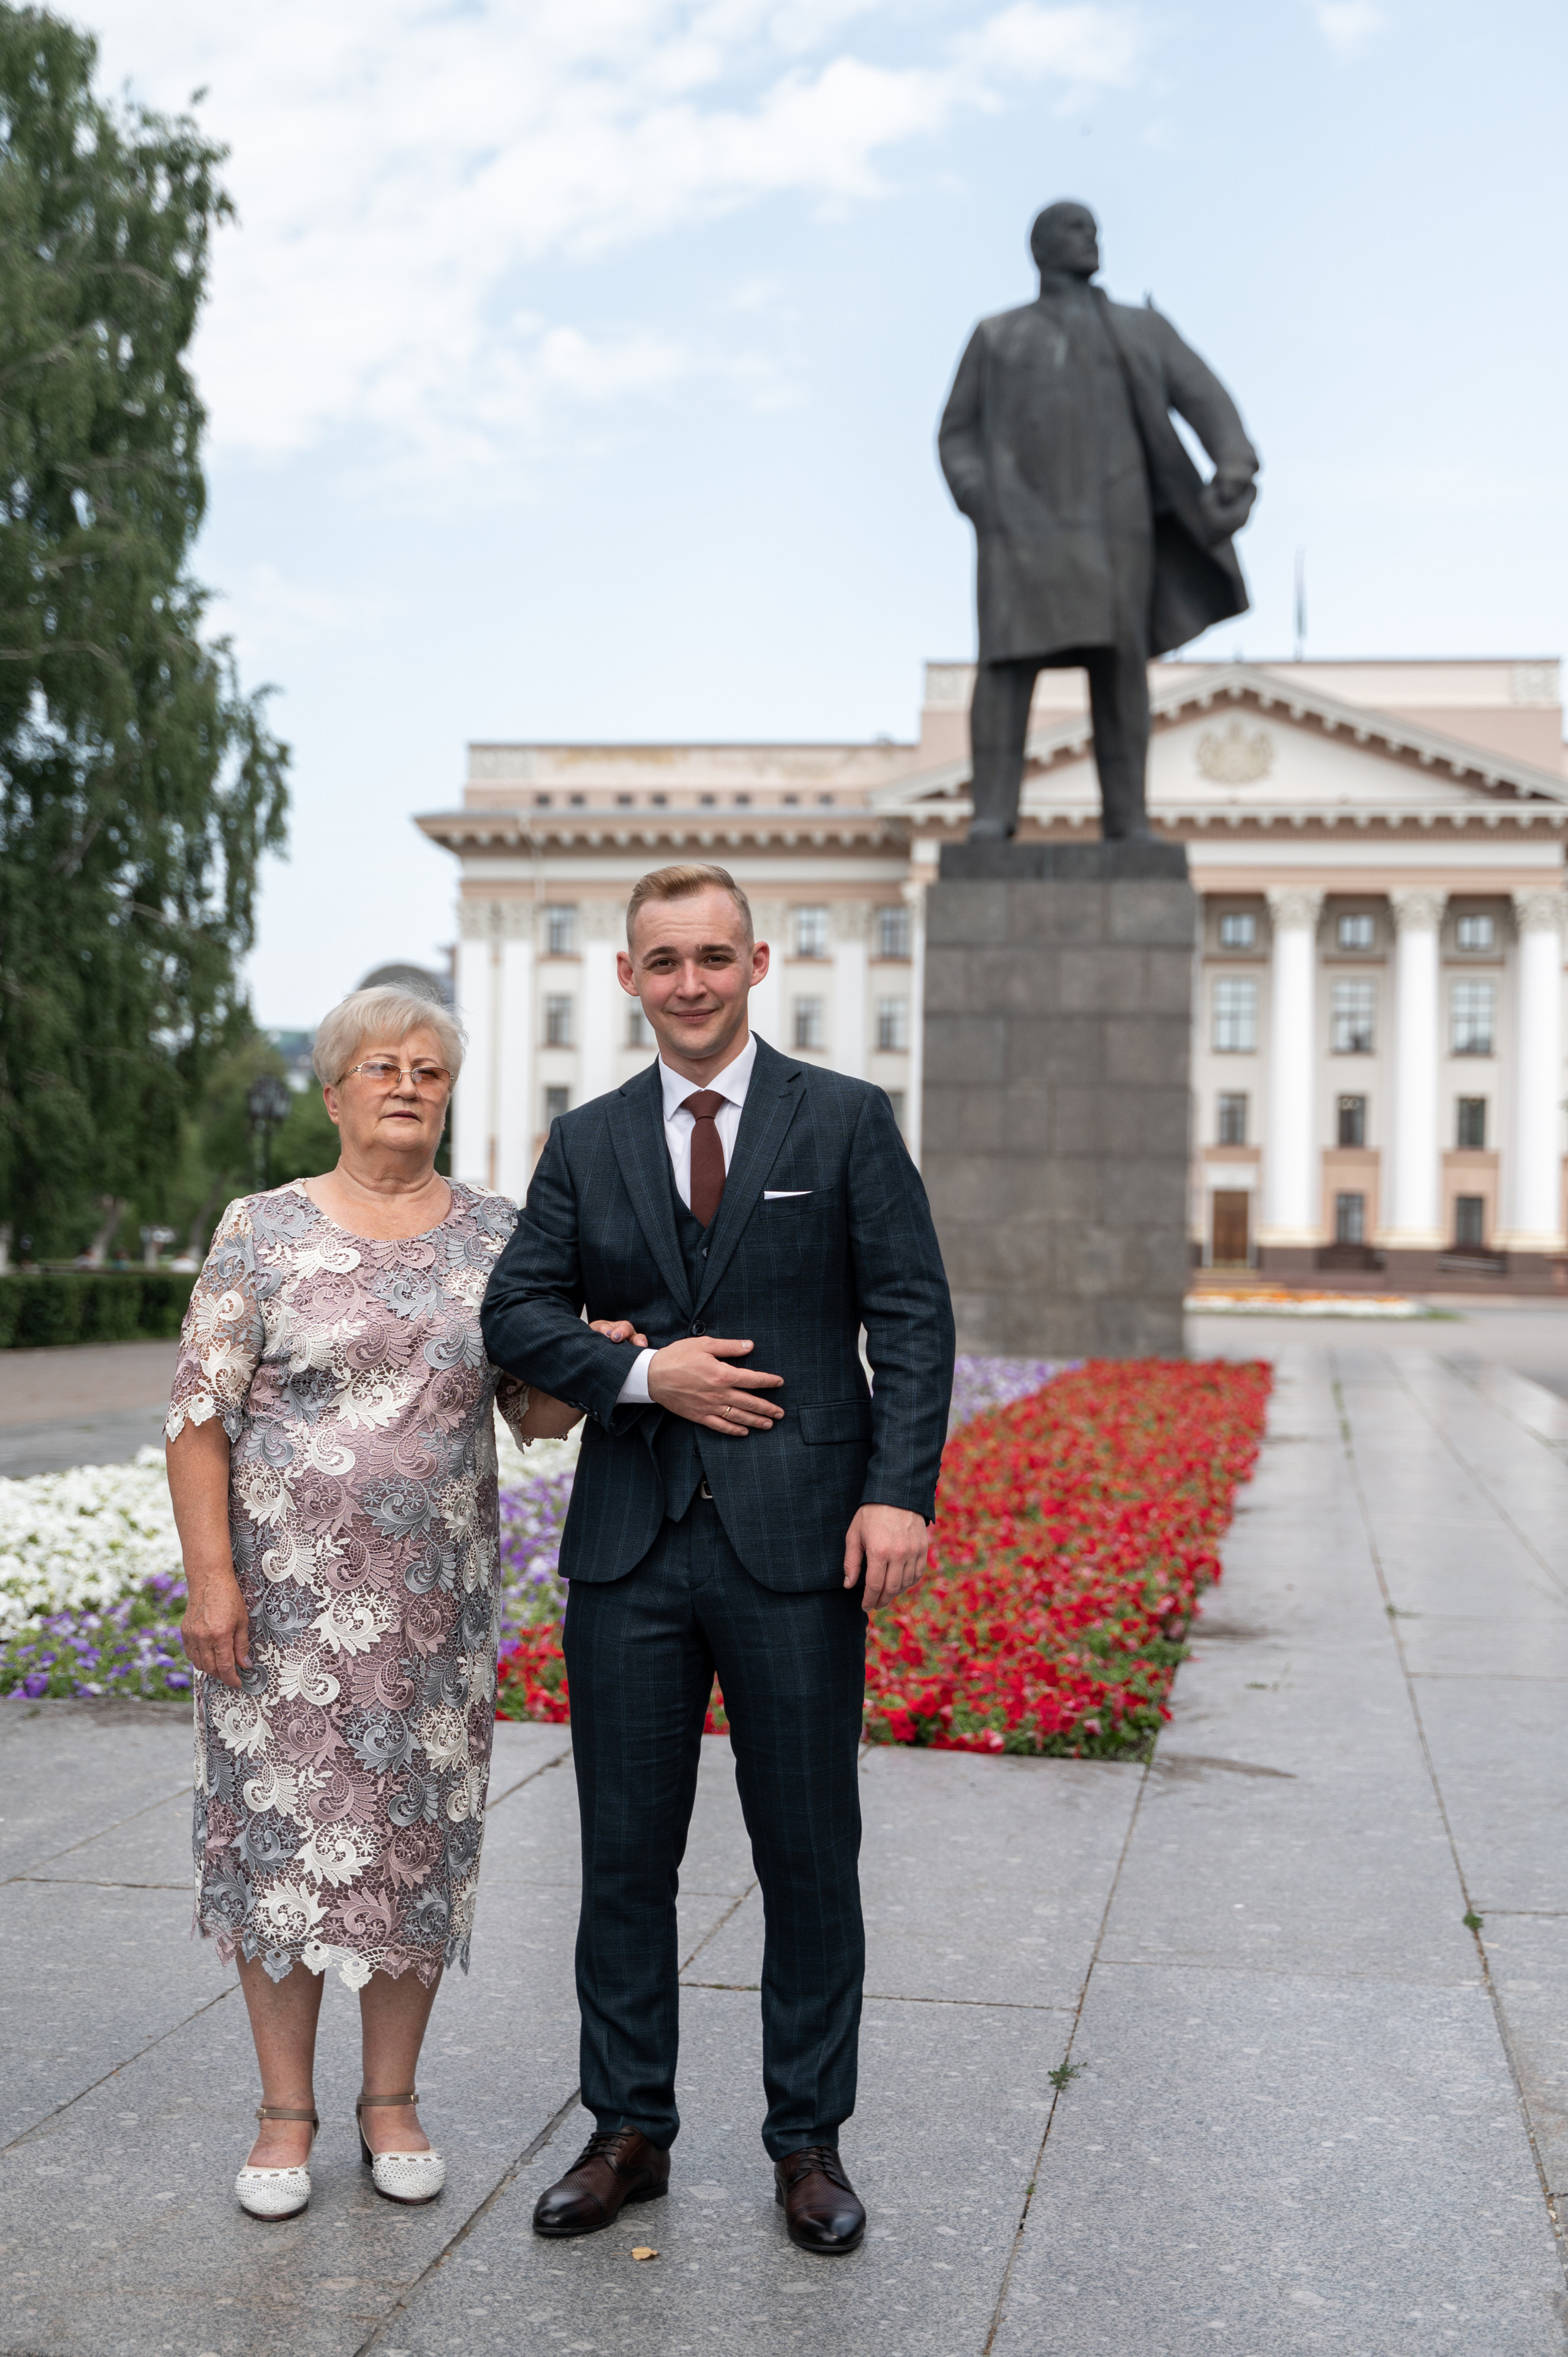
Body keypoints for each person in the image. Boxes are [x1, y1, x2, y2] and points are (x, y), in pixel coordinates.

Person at [480, 863, 955, 2256]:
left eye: (710, 956)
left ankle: (806, 2142)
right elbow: (516, 1310)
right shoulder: (588, 1137)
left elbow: (910, 1320)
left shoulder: (846, 1119)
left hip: (801, 1547)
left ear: (755, 961)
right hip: (629, 1551)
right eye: (661, 961)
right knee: (624, 1858)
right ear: (626, 978)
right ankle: (626, 2127)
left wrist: (897, 1496)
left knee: (807, 1853)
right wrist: (641, 1379)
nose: (687, 981)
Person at [166, 985, 624, 2223]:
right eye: (379, 1065)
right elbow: (197, 1413)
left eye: (428, 1066)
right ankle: (282, 2114)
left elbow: (529, 1410)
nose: (407, 1083)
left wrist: (597, 1359)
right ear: (332, 1092)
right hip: (277, 1606)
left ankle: (390, 2102)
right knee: (278, 1849)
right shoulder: (260, 1229)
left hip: (429, 1608)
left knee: (411, 1840)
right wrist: (212, 1582)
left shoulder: (495, 1232)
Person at [938, 198, 1260, 841]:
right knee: (1005, 669)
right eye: (1075, 229)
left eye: (1093, 229)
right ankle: (993, 815)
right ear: (1041, 249)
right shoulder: (998, 335)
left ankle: (1127, 820)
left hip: (1119, 527)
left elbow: (1204, 394)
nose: (1091, 240)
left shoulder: (1138, 328)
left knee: (1120, 672)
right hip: (1020, 531)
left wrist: (1234, 461)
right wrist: (984, 501)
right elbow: (956, 434)